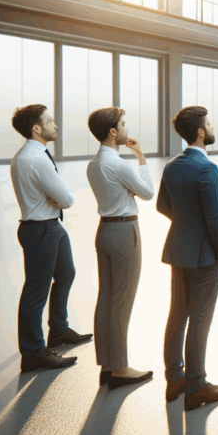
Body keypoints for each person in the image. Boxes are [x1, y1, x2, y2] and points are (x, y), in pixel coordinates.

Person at [158, 106, 218, 410]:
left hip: (178, 250)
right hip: (205, 256)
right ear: (201, 132)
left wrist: (186, 224)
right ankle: (197, 386)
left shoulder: (172, 166)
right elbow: (215, 219)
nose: (212, 127)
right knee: (200, 320)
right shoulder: (207, 169)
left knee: (177, 315)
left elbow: (163, 206)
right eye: (209, 124)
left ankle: (174, 378)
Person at [9, 104, 90, 373]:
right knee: (36, 292)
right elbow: (66, 199)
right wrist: (60, 197)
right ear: (36, 128)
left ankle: (59, 330)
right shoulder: (36, 159)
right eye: (50, 121)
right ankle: (32, 353)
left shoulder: (30, 155)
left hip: (51, 226)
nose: (55, 125)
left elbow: (59, 197)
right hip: (40, 229)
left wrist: (56, 197)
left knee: (66, 273)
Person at [85, 107, 154, 388]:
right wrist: (141, 158)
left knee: (106, 299)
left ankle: (107, 364)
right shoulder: (120, 165)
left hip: (104, 230)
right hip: (125, 231)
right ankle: (121, 368)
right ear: (113, 132)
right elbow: (148, 193)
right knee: (122, 301)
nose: (126, 128)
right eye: (123, 124)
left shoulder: (93, 164)